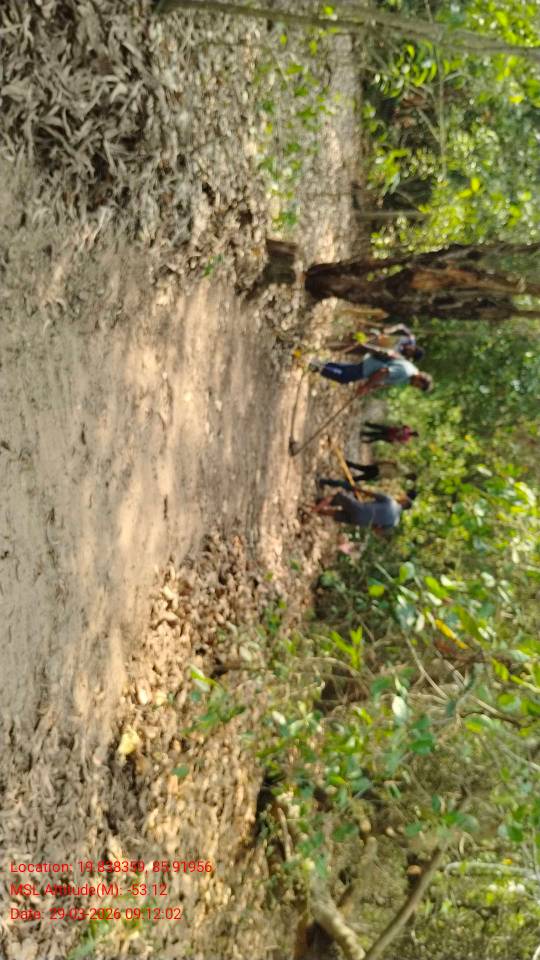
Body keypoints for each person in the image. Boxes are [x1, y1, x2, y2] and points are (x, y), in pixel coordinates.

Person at [309, 354, 433, 396]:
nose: (415, 386)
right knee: (343, 376)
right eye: (418, 385)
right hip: (370, 368)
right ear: (420, 378)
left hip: (370, 367)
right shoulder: (406, 372)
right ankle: (316, 366)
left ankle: (319, 364)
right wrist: (366, 386)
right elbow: (383, 372)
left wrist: (372, 387)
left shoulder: (410, 373)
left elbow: (387, 380)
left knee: (344, 370)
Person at [312, 488, 414, 534]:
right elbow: (378, 531)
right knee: (336, 514)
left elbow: (373, 494)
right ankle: (317, 509)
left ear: (404, 502)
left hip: (360, 508)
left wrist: (358, 489)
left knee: (338, 496)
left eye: (403, 499)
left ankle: (313, 511)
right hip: (361, 521)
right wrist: (372, 522)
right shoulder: (394, 522)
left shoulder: (391, 502)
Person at [317, 460, 417, 487]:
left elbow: (387, 477)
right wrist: (380, 462)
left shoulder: (401, 476)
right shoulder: (404, 470)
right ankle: (346, 474)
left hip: (378, 473)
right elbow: (393, 462)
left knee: (362, 473)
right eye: (410, 478)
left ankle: (348, 467)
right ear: (410, 475)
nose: (408, 479)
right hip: (379, 469)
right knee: (362, 472)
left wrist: (379, 479)